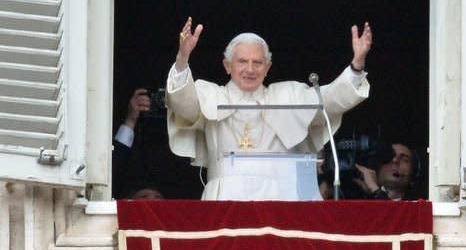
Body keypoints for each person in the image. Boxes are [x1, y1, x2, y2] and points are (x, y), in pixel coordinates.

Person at [165, 17, 373, 200]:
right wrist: (182, 59)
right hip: (223, 197)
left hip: (279, 197)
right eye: (242, 61)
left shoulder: (288, 95)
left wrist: (356, 66)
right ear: (227, 66)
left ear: (268, 68)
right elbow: (183, 103)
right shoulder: (209, 95)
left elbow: (329, 100)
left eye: (257, 62)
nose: (250, 69)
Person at [112, 88, 202, 199]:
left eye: (157, 198)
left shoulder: (183, 151)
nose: (151, 203)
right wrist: (130, 119)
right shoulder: (133, 160)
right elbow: (114, 170)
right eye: (143, 197)